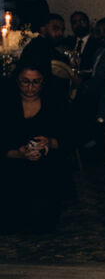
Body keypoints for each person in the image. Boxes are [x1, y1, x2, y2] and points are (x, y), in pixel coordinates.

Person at [0, 64, 70, 233]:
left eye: (36, 82)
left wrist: (50, 142)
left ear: (43, 82)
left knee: (42, 225)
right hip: (12, 166)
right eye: (25, 82)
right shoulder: (5, 104)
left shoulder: (54, 103)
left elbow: (70, 137)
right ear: (17, 81)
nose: (30, 88)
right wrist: (18, 154)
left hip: (45, 169)